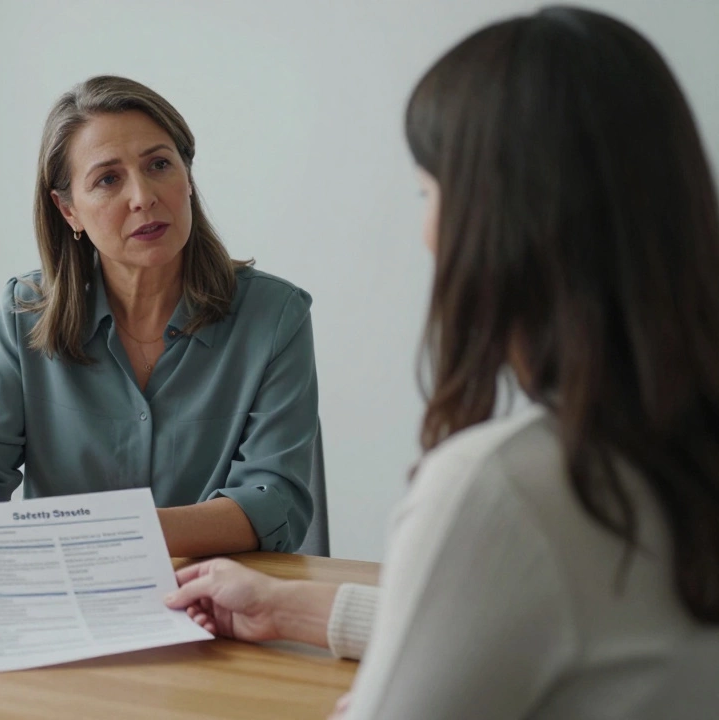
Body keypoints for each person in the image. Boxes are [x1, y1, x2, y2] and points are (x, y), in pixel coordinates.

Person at [166, 6, 719, 718]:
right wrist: (296, 608)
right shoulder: (671, 441)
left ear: (497, 224)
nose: (426, 232)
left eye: (428, 193)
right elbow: (539, 620)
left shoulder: (505, 486)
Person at [0, 76, 322, 566]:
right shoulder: (27, 311)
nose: (143, 196)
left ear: (187, 177)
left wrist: (110, 532)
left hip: (218, 602)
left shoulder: (275, 317)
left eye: (159, 165)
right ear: (68, 211)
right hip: (60, 600)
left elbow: (275, 501)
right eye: (108, 179)